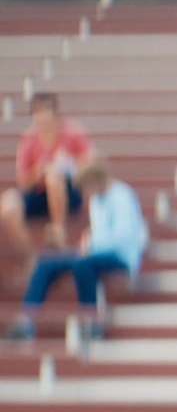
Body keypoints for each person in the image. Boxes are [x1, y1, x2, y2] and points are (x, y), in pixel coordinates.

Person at [7, 160, 148, 341]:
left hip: (120, 255)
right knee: (46, 263)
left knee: (83, 264)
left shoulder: (122, 196)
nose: (87, 192)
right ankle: (27, 320)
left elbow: (123, 237)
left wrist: (91, 245)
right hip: (95, 252)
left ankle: (90, 322)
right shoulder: (96, 201)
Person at [1, 92, 95, 257]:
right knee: (8, 204)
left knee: (54, 175)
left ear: (55, 114)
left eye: (46, 113)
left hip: (69, 193)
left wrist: (69, 165)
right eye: (39, 114)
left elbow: (91, 164)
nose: (43, 120)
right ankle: (31, 255)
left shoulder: (72, 132)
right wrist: (38, 172)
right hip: (38, 193)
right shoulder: (29, 139)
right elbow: (23, 182)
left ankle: (58, 235)